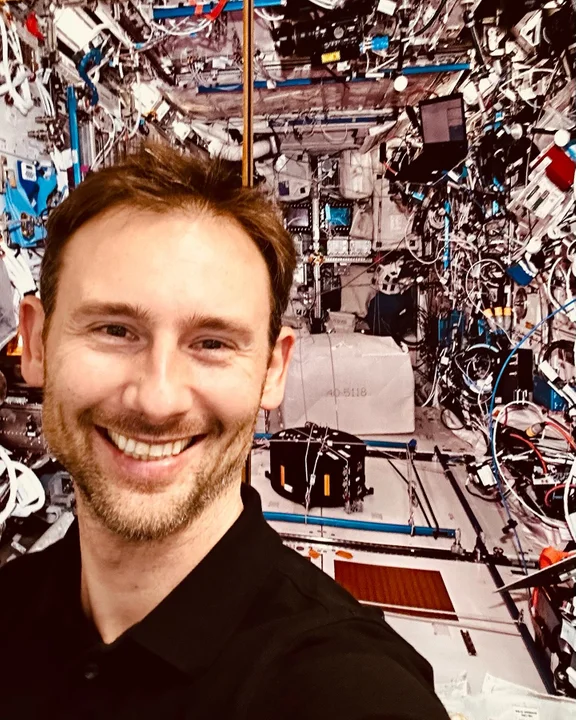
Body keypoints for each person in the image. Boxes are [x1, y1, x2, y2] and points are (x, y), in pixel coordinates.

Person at [0, 143, 449, 720]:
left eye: (212, 343)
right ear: (35, 344)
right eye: (114, 330)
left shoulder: (347, 688)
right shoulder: (12, 608)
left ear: (272, 371)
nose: (157, 399)